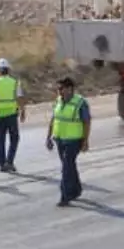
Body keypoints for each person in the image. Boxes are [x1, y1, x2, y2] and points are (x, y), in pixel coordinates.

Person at [46, 77, 90, 207]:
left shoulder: (80, 103)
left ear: (70, 89)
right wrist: (48, 137)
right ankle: (76, 190)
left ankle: (65, 196)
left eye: (61, 89)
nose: (59, 91)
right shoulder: (58, 101)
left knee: (66, 167)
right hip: (60, 139)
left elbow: (87, 122)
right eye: (58, 89)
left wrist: (85, 141)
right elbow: (53, 119)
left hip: (74, 141)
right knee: (69, 166)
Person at [0, 58, 27, 173]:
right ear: (9, 70)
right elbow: (20, 98)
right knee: (15, 139)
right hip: (11, 115)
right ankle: (9, 161)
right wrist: (23, 111)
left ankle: (2, 164)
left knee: (0, 140)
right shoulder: (14, 82)